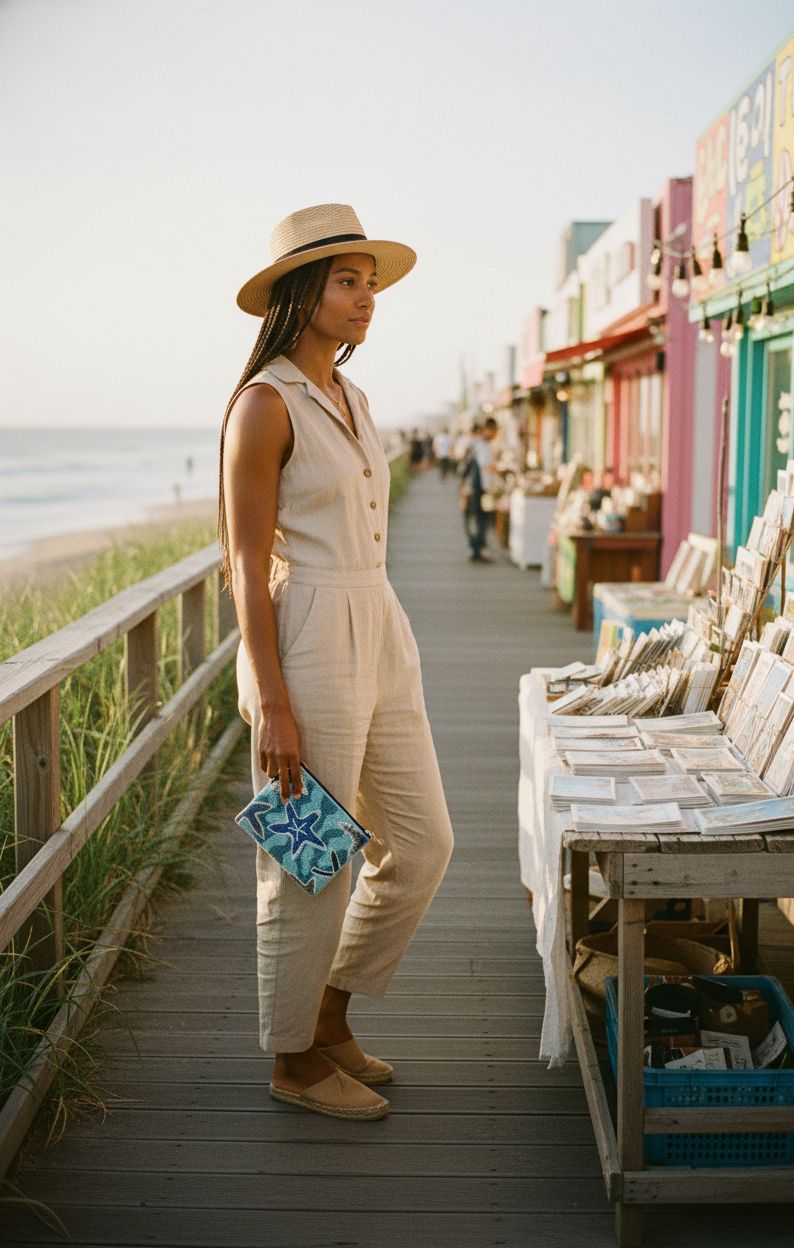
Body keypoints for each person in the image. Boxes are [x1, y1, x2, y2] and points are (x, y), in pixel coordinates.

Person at [219, 204, 454, 1122]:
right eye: (345, 280)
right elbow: (243, 561)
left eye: (369, 281)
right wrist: (271, 699)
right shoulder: (264, 404)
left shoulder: (353, 401)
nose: (366, 298)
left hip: (379, 620)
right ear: (297, 295)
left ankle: (329, 1014)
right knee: (310, 859)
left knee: (424, 841)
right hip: (309, 628)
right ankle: (292, 1059)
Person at [459, 416, 498, 561]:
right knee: (479, 518)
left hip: (480, 488)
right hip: (477, 489)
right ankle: (477, 548)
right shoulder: (480, 446)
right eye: (494, 431)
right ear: (487, 429)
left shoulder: (481, 445)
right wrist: (496, 468)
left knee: (480, 518)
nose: (495, 434)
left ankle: (477, 547)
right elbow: (484, 467)